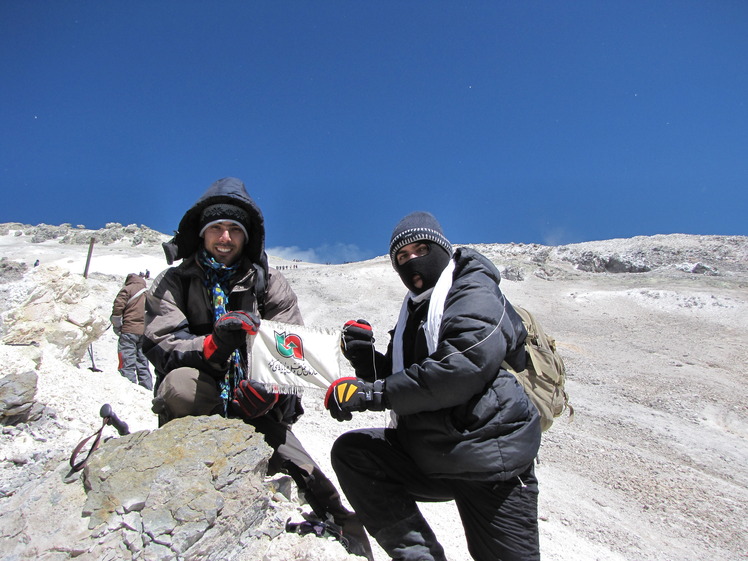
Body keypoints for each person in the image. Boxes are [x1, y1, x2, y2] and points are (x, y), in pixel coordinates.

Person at [143, 177, 372, 559]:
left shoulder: (269, 284)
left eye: (235, 230)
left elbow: (291, 352)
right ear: (201, 234)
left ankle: (348, 540)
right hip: (200, 389)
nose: (225, 238)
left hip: (257, 403)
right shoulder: (174, 282)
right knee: (180, 386)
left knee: (316, 485)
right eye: (216, 228)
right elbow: (160, 344)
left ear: (247, 237)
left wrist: (270, 394)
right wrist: (214, 346)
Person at [325, 211, 542, 561]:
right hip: (430, 452)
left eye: (420, 249)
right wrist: (366, 361)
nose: (412, 261)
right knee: (355, 454)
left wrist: (373, 394)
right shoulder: (415, 310)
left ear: (441, 248)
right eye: (402, 256)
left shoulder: (473, 290)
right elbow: (413, 375)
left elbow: (461, 369)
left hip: (489, 459)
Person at [111, 273, 152, 390]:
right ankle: (146, 388)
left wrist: (117, 326)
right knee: (143, 362)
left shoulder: (127, 289)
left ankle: (128, 386)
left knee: (126, 359)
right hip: (144, 331)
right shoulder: (147, 292)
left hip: (129, 330)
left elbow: (118, 308)